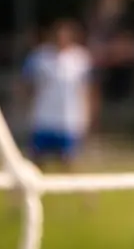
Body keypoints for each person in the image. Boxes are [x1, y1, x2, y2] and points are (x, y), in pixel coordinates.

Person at [21, 18, 97, 172]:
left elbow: (88, 89)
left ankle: (83, 193)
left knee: (69, 160)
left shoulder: (81, 58)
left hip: (68, 119)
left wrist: (88, 116)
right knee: (36, 159)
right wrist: (26, 107)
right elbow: (25, 85)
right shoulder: (39, 57)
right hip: (43, 117)